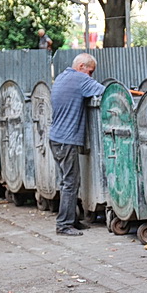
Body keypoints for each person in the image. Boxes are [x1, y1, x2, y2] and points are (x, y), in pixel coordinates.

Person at [49, 53, 105, 236]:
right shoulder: (81, 79)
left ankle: (72, 220)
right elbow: (107, 92)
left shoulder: (62, 76)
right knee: (70, 183)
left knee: (66, 182)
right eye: (91, 71)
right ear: (82, 66)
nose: (91, 76)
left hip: (55, 138)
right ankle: (64, 225)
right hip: (66, 140)